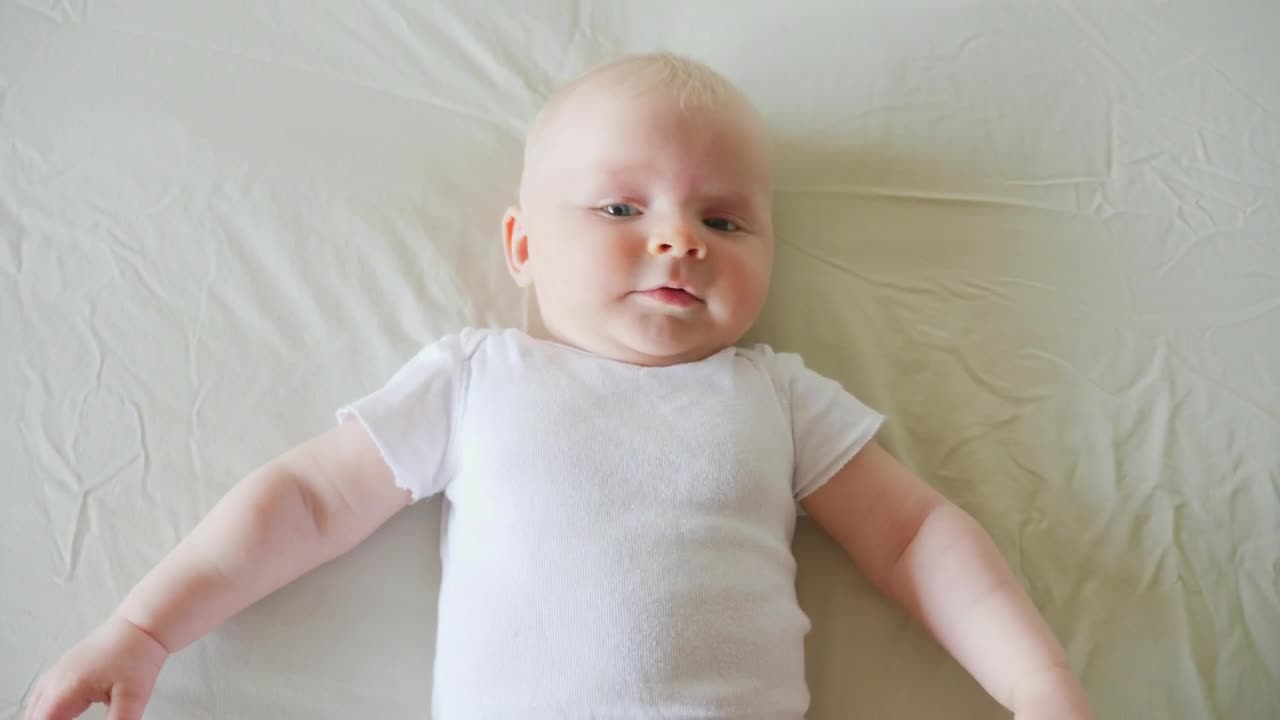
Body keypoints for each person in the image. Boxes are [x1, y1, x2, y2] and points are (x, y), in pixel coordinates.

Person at [25, 52, 1092, 720]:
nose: (677, 238)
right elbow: (304, 501)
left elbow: (913, 539)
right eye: (619, 210)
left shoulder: (773, 396)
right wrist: (147, 626)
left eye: (722, 219)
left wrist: (1035, 686)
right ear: (521, 244)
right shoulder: (480, 379)